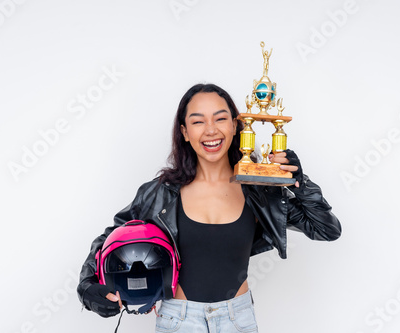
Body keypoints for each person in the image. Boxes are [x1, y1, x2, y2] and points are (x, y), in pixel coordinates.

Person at [77, 83, 341, 332]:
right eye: (198, 121)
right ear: (184, 132)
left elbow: (326, 229)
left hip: (238, 320)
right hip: (178, 320)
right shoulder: (161, 192)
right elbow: (110, 237)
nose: (211, 130)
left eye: (220, 118)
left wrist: (299, 181)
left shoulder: (259, 190)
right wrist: (87, 287)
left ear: (237, 125)